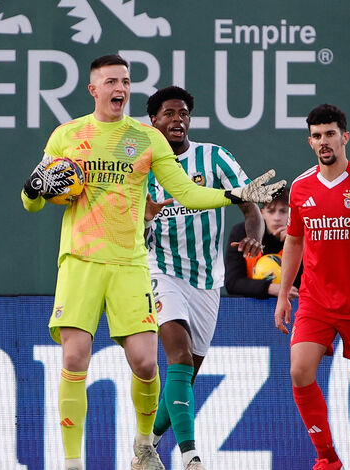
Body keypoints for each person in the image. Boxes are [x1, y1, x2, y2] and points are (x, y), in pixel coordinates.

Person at [21, 54, 285, 470]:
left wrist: (234, 195)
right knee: (74, 358)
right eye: (112, 81)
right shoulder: (66, 135)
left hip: (130, 264)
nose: (120, 88)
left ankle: (144, 445)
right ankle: (72, 463)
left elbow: (186, 191)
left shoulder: (146, 139)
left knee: (146, 363)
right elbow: (33, 201)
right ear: (94, 90)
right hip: (81, 260)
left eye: (125, 81)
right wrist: (33, 189)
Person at [141, 86, 263, 470]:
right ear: (153, 121)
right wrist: (143, 218)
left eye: (183, 114)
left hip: (207, 279)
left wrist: (255, 235)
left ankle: (146, 446)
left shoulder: (214, 157)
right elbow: (129, 229)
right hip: (160, 270)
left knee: (185, 377)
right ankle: (190, 457)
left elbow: (249, 204)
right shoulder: (141, 169)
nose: (177, 120)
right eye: (169, 113)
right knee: (176, 355)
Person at [273, 103, 350, 470]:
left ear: (345, 137)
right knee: (299, 371)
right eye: (316, 136)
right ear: (310, 141)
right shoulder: (301, 186)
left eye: (330, 134)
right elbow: (294, 241)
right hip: (315, 300)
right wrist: (283, 293)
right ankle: (327, 458)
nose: (323, 141)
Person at [224, 189, 300, 299]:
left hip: (293, 305)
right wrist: (270, 288)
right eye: (271, 211)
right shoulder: (243, 233)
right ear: (262, 213)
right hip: (251, 306)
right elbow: (232, 283)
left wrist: (294, 242)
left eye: (283, 211)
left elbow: (311, 281)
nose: (277, 218)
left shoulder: (303, 236)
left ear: (292, 213)